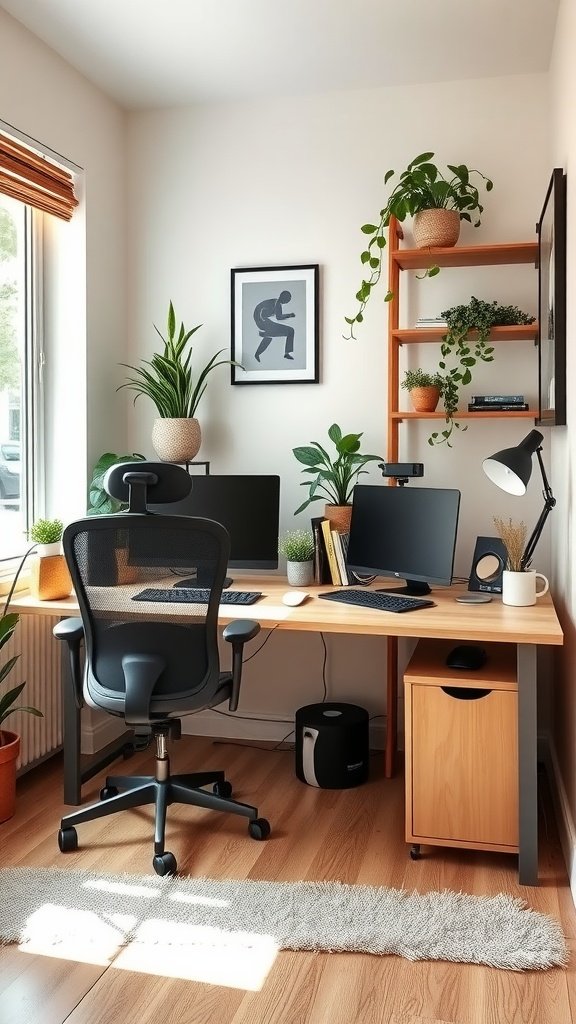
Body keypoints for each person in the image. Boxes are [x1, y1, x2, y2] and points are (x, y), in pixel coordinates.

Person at [253, 290, 295, 362]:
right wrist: (289, 315)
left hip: (265, 321)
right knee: (290, 331)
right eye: (287, 299)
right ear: (283, 298)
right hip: (261, 321)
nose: (288, 301)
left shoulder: (276, 303)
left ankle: (257, 353)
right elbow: (279, 317)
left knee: (269, 337)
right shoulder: (276, 303)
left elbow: (278, 316)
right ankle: (266, 333)